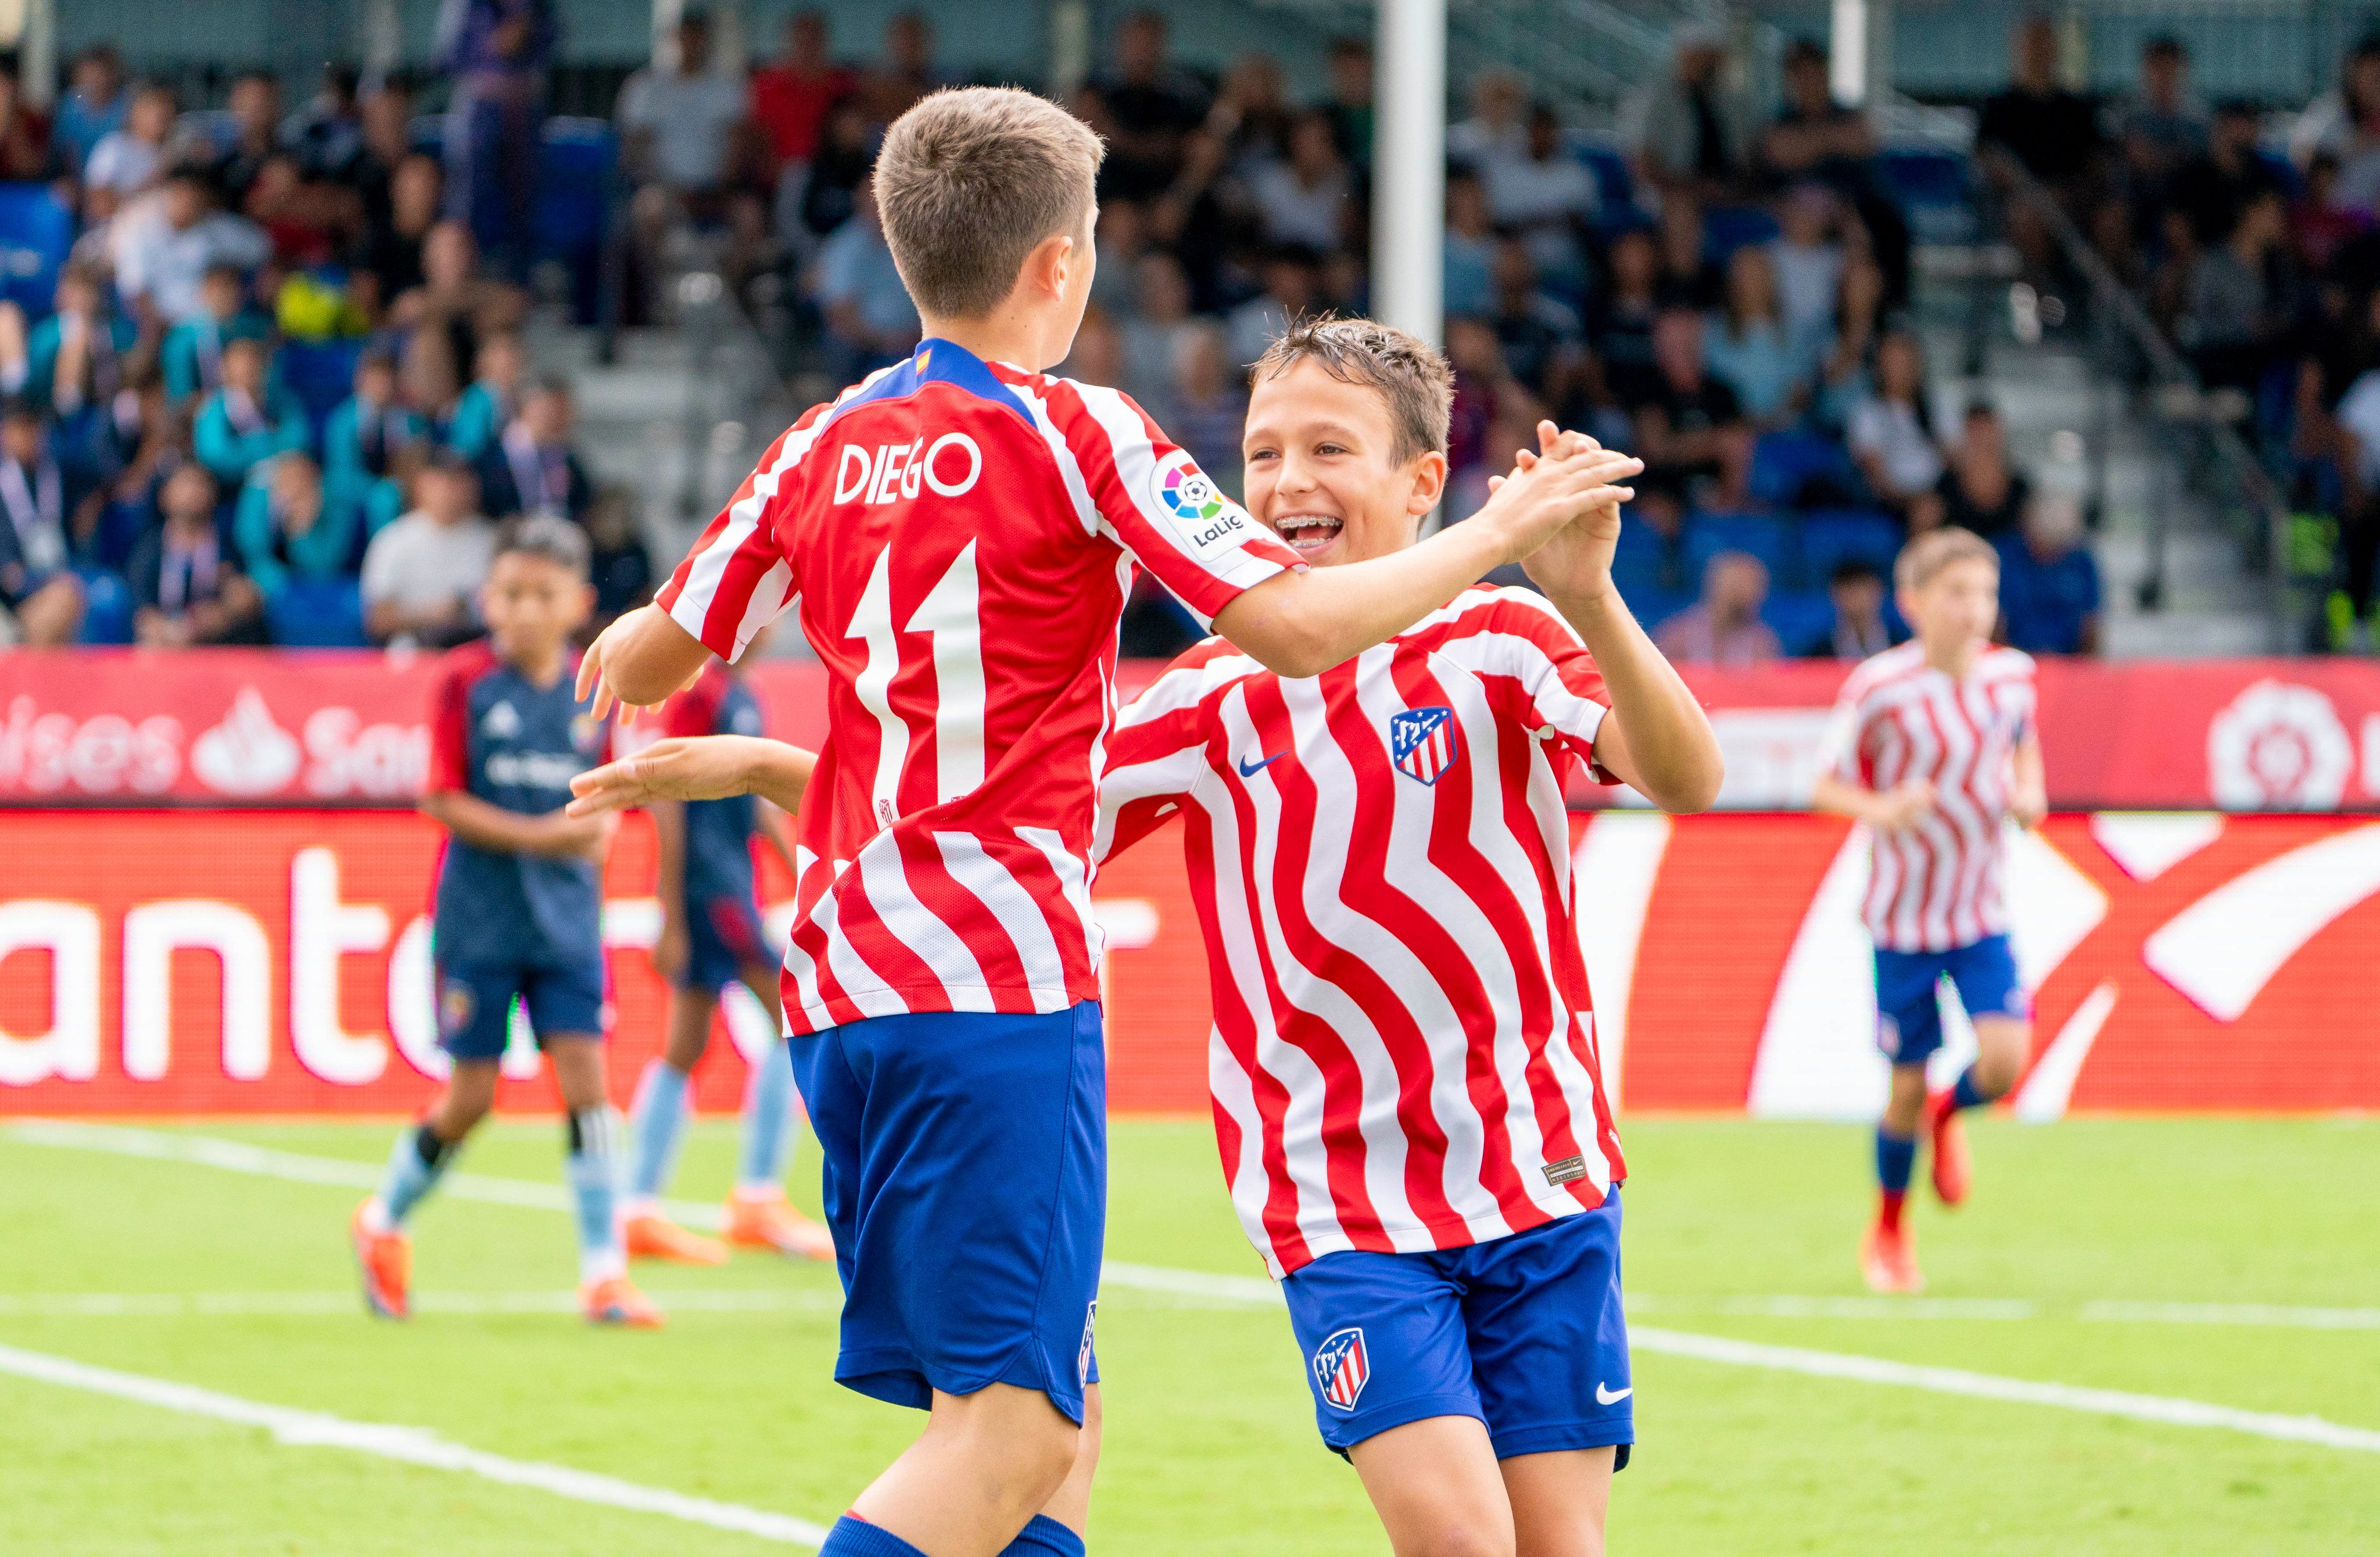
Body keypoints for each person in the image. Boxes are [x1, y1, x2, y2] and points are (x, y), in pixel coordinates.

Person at [568, 84, 1629, 1557]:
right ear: (1059, 265)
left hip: (844, 986)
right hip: (994, 983)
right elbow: (1297, 629)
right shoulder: (1078, 432)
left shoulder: (819, 443)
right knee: (1012, 1433)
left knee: (1055, 1420)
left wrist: (679, 688)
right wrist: (1500, 532)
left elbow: (647, 658)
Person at [1095, 321, 1709, 1556]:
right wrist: (781, 773)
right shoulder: (1211, 693)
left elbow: (1684, 777)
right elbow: (1004, 819)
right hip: (1338, 1201)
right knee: (1461, 1541)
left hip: (1537, 1170)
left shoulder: (1498, 642)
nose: (1287, 481)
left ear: (1424, 481)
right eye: (1262, 452)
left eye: (1329, 448)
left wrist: (1587, 598)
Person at [349, 516, 653, 1325]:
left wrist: (603, 829)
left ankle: (605, 1273)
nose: (523, 610)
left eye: (541, 595)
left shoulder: (596, 689)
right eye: (510, 593)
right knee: (472, 1096)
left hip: (567, 923)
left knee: (588, 1085)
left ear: (578, 603)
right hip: (481, 921)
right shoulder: (465, 681)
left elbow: (609, 797)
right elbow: (438, 796)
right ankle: (382, 1221)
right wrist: (548, 836)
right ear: (487, 599)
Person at [1811, 528, 2046, 1296]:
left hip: (1979, 911)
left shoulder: (2013, 677)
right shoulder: (1880, 688)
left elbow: (2024, 747)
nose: (1974, 608)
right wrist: (1885, 809)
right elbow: (1823, 786)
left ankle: (1951, 1113)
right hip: (1903, 920)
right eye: (1957, 593)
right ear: (1912, 603)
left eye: (1985, 592)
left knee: (2005, 1062)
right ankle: (1889, 1230)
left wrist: (2029, 793)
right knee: (1902, 1089)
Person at [615, 650, 837, 1267]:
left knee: (686, 1043)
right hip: (710, 890)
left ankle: (638, 1209)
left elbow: (756, 796)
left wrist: (805, 871)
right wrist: (671, 911)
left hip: (729, 885)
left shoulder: (741, 691)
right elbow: (666, 794)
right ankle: (757, 1198)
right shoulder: (700, 693)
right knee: (792, 1023)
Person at [439, 0, 557, 279]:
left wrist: (525, 33)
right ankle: (460, 285)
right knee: (466, 208)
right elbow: (448, 57)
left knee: (525, 215)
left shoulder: (537, 7)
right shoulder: (465, 6)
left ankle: (518, 286)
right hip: (478, 117)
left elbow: (550, 46)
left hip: (524, 117)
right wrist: (494, 45)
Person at [360, 454, 496, 648]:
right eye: (440, 484)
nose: (448, 493)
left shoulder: (491, 540)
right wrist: (434, 614)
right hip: (414, 648)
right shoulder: (393, 540)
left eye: (457, 484)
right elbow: (377, 620)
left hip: (478, 646)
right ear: (420, 487)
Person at [130, 465, 266, 647]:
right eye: (184, 484)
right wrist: (174, 632)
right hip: (166, 641)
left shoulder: (229, 545)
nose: (192, 492)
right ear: (164, 495)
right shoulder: (149, 550)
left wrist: (225, 612)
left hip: (219, 642)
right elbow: (143, 612)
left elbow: (247, 597)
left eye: (200, 484)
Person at [0, 401, 88, 647]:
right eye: (19, 429)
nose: (26, 438)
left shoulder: (57, 472)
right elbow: (9, 574)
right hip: (10, 595)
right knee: (61, 603)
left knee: (69, 599)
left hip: (48, 580)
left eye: (32, 429)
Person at [193, 338, 308, 488]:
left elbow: (299, 441)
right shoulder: (212, 411)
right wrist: (265, 445)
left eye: (253, 369)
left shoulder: (283, 401)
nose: (248, 377)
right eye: (241, 373)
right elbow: (216, 457)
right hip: (232, 488)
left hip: (282, 478)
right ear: (225, 372)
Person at [1996, 493, 2103, 655]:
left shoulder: (2082, 562)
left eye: (2057, 546)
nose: (2048, 552)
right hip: (2013, 658)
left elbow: (2091, 624)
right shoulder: (2004, 556)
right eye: (2041, 541)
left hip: (2067, 662)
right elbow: (1995, 621)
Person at [479, 376, 592, 522]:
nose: (565, 419)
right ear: (528, 408)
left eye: (566, 411)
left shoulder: (567, 457)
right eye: (555, 411)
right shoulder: (492, 458)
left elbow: (580, 504)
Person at [1655, 549, 1782, 666]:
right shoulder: (1677, 636)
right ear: (1714, 587)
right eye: (1734, 588)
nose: (1741, 595)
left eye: (1750, 589)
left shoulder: (1762, 644)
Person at [1803, 558, 1898, 659]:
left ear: (1881, 590)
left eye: (1864, 587)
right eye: (1849, 588)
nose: (1857, 596)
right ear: (1834, 593)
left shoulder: (1901, 646)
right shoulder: (1818, 654)